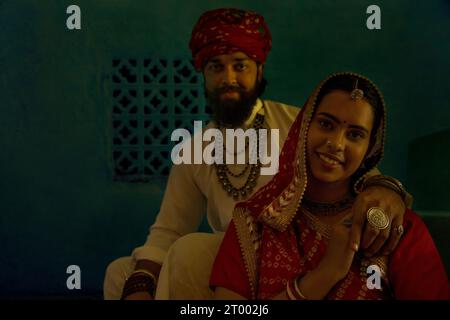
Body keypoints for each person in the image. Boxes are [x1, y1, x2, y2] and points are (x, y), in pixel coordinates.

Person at [104, 8, 411, 300]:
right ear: (204, 74)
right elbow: (168, 229)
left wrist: (387, 188)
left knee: (191, 250)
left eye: (240, 65)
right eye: (216, 67)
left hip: (297, 255)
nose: (228, 78)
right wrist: (140, 282)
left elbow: (359, 172)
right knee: (120, 274)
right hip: (232, 263)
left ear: (259, 68)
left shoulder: (299, 125)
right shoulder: (194, 149)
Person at [210, 72, 450, 300]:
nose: (336, 143)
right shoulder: (255, 222)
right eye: (326, 124)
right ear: (304, 127)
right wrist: (326, 274)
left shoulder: (392, 226)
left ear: (370, 149)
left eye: (355, 135)